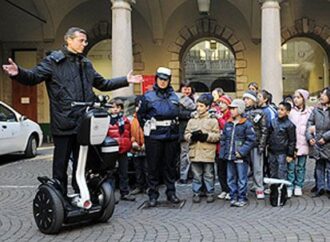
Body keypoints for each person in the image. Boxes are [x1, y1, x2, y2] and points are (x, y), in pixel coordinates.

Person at [2, 27, 143, 195]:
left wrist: (125, 80)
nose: (84, 44)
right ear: (68, 40)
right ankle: (59, 195)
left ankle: (81, 193)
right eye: (81, 40)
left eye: (85, 41)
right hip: (64, 122)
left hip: (84, 123)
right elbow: (33, 77)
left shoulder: (86, 64)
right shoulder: (53, 62)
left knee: (82, 162)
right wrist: (18, 73)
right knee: (60, 164)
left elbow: (103, 84)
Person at [137, 67, 180, 207]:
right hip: (154, 136)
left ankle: (171, 192)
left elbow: (178, 113)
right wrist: (147, 128)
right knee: (153, 167)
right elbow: (140, 115)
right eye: (160, 79)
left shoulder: (174, 96)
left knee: (170, 166)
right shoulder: (148, 96)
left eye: (165, 80)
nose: (162, 82)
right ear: (156, 79)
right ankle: (153, 194)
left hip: (171, 135)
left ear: (169, 81)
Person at [184, 94, 220, 203]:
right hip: (195, 152)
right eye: (198, 106)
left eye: (201, 106)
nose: (198, 108)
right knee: (196, 175)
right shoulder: (192, 120)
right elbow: (186, 134)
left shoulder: (212, 120)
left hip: (208, 153)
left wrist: (207, 136)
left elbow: (217, 136)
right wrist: (191, 137)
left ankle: (210, 192)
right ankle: (196, 192)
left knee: (209, 174)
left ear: (207, 107)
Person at [220, 99, 256, 207]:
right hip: (230, 156)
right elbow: (224, 139)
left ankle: (242, 197)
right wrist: (223, 153)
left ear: (240, 109)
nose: (231, 110)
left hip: (240, 156)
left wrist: (241, 152)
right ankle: (233, 196)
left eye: (233, 108)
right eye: (230, 108)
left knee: (241, 178)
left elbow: (251, 140)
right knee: (230, 178)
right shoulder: (228, 124)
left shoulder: (246, 124)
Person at [107, 99, 135, 201]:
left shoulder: (125, 120)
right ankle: (110, 195)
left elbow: (128, 134)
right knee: (110, 173)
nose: (115, 110)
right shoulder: (106, 120)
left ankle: (125, 192)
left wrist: (129, 145)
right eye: (113, 107)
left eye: (117, 107)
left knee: (124, 172)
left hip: (123, 149)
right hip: (111, 149)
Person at [287, 89, 313, 197]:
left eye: (298, 97)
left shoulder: (309, 112)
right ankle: (290, 186)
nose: (296, 99)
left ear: (304, 99)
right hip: (292, 144)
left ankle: (299, 185)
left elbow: (311, 126)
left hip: (303, 143)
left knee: (301, 166)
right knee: (290, 167)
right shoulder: (291, 112)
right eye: (294, 97)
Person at [243, 90, 268, 199]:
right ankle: (247, 186)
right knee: (245, 167)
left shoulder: (260, 112)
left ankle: (259, 187)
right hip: (245, 144)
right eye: (244, 99)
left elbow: (264, 130)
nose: (245, 101)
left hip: (256, 144)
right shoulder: (242, 112)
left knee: (258, 167)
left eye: (247, 99)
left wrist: (262, 145)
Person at [306, 87, 330, 197]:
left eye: (323, 94)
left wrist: (325, 137)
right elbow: (309, 123)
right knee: (319, 166)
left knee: (329, 167)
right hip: (317, 143)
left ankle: (329, 188)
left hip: (327, 142)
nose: (321, 96)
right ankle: (320, 188)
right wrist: (309, 136)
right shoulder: (316, 110)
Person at [268, 102, 296, 181]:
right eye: (278, 109)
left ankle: (282, 190)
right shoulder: (272, 122)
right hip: (272, 151)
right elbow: (269, 135)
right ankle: (274, 190)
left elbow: (292, 141)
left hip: (282, 152)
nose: (279, 111)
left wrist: (290, 154)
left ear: (287, 112)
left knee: (282, 172)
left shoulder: (290, 125)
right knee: (272, 172)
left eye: (282, 110)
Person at [213, 95, 232, 200]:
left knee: (228, 170)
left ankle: (230, 190)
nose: (220, 105)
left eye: (223, 103)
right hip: (218, 147)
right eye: (219, 103)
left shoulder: (230, 115)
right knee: (220, 170)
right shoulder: (217, 114)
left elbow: (227, 127)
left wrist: (220, 119)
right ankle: (224, 189)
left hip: (227, 147)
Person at [178, 80, 196, 183]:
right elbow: (179, 113)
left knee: (194, 153)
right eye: (184, 88)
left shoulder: (195, 99)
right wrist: (191, 114)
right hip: (184, 130)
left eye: (188, 88)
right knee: (184, 154)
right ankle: (183, 176)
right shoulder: (179, 100)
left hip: (195, 130)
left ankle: (192, 174)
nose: (187, 90)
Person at [130, 95, 148, 195]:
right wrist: (133, 142)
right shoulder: (133, 119)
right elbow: (131, 133)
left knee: (147, 169)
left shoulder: (147, 118)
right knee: (138, 169)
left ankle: (148, 187)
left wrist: (146, 143)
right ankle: (139, 186)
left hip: (146, 148)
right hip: (136, 148)